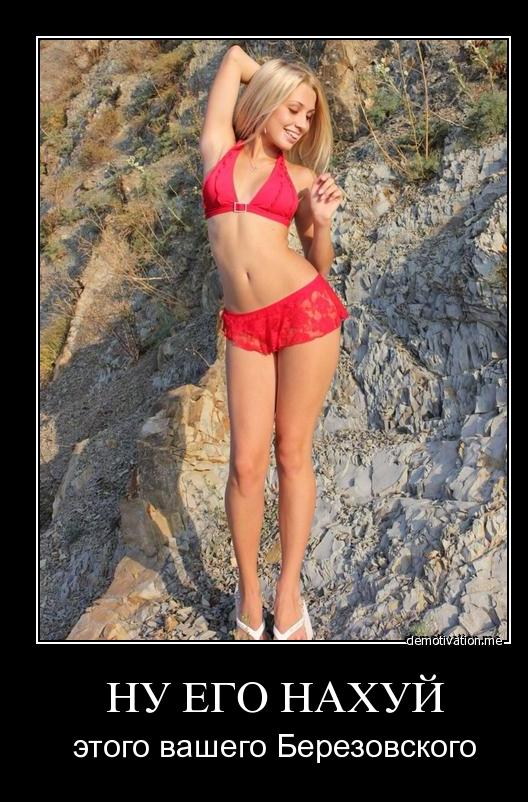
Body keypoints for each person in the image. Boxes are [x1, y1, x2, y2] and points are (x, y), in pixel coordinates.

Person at [199, 44, 350, 640]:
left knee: (292, 452)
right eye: (292, 109)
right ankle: (251, 593)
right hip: (245, 328)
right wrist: (285, 79)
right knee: (245, 464)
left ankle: (288, 593)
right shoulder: (218, 151)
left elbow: (318, 262)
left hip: (305, 315)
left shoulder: (302, 179)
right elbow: (234, 57)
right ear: (265, 102)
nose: (301, 123)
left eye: (309, 115)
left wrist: (322, 223)